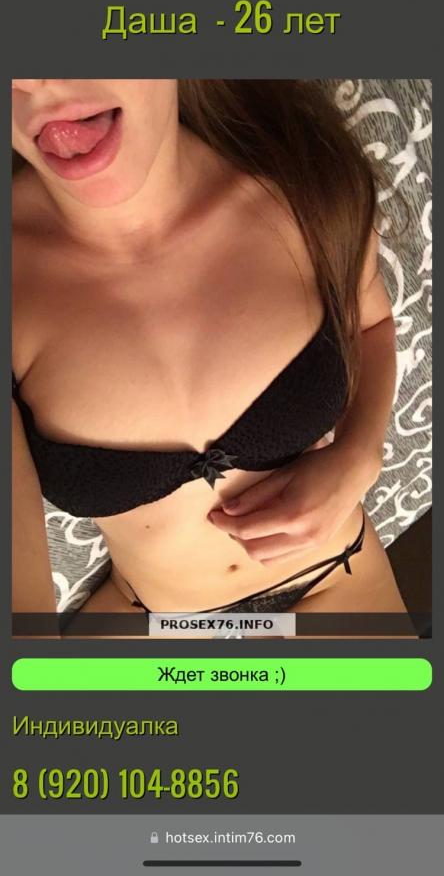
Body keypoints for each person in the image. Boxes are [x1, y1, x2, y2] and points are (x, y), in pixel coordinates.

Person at [12, 78, 408, 631]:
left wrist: (361, 453)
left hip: (336, 580)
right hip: (149, 621)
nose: (31, 77)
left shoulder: (300, 181)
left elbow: (371, 322)